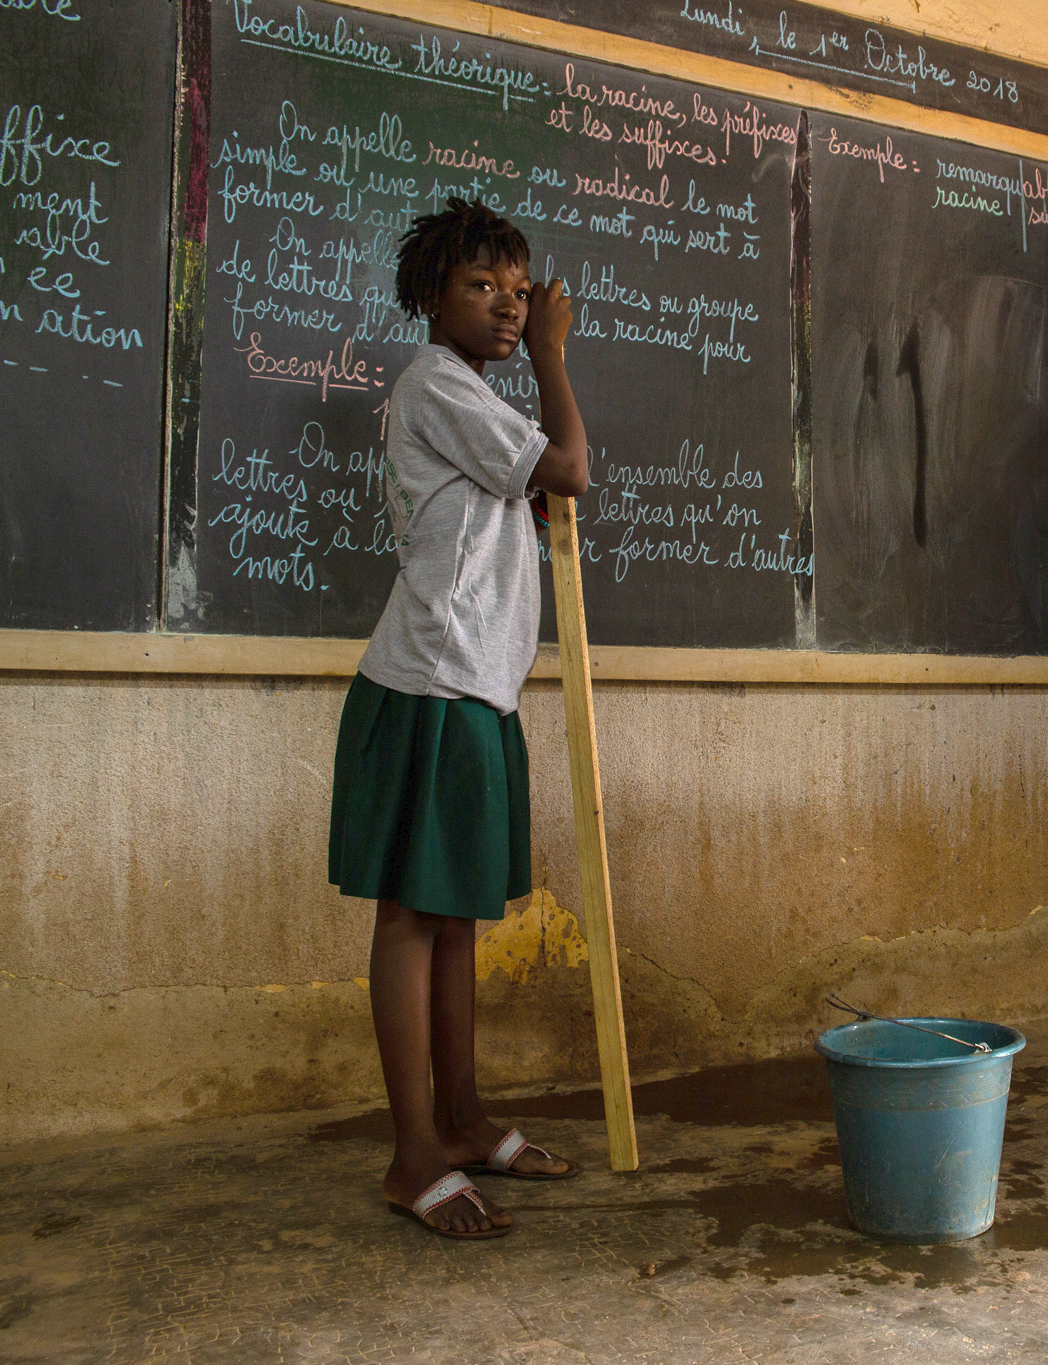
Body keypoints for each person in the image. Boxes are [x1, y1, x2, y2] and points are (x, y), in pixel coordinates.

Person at [328, 198, 591, 1239]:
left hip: (475, 686)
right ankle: (412, 1155)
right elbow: (569, 469)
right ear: (431, 295)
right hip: (428, 687)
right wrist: (556, 356)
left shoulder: (468, 398)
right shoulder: (439, 384)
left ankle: (465, 1118)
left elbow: (525, 501)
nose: (509, 309)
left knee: (454, 922)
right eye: (481, 288)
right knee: (411, 918)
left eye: (521, 295)